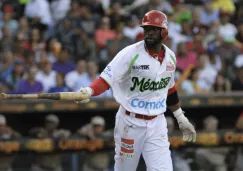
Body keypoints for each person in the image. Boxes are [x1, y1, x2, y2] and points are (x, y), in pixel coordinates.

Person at [75, 10, 196, 171]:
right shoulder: (130, 53)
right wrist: (89, 91)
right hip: (130, 124)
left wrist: (181, 119)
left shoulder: (170, 57)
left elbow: (170, 88)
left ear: (164, 31)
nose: (149, 32)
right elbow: (106, 79)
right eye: (147, 29)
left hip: (157, 123)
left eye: (154, 28)